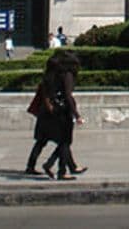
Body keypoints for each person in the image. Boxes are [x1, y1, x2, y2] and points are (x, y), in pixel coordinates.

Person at [40, 51, 85, 179]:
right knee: (65, 141)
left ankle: (53, 164)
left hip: (56, 109)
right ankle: (61, 171)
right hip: (64, 110)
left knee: (63, 141)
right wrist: (77, 115)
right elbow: (68, 95)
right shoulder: (67, 75)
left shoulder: (53, 75)